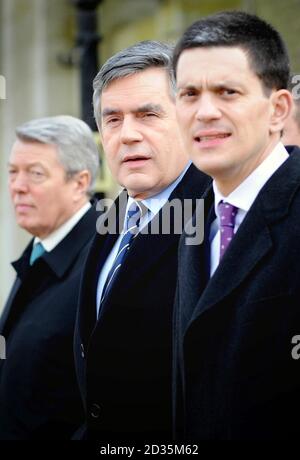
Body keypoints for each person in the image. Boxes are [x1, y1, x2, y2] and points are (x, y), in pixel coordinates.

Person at [73, 40, 210, 441]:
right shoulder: (113, 217)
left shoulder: (222, 218)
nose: (127, 135)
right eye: (112, 119)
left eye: (148, 114)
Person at [172, 11, 300, 440]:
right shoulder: (192, 219)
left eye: (227, 91)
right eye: (189, 94)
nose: (205, 111)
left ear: (278, 109)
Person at [0, 115, 100, 439]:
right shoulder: (41, 248)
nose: (17, 186)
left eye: (36, 174)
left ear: (80, 183)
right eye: (13, 172)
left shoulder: (103, 261)